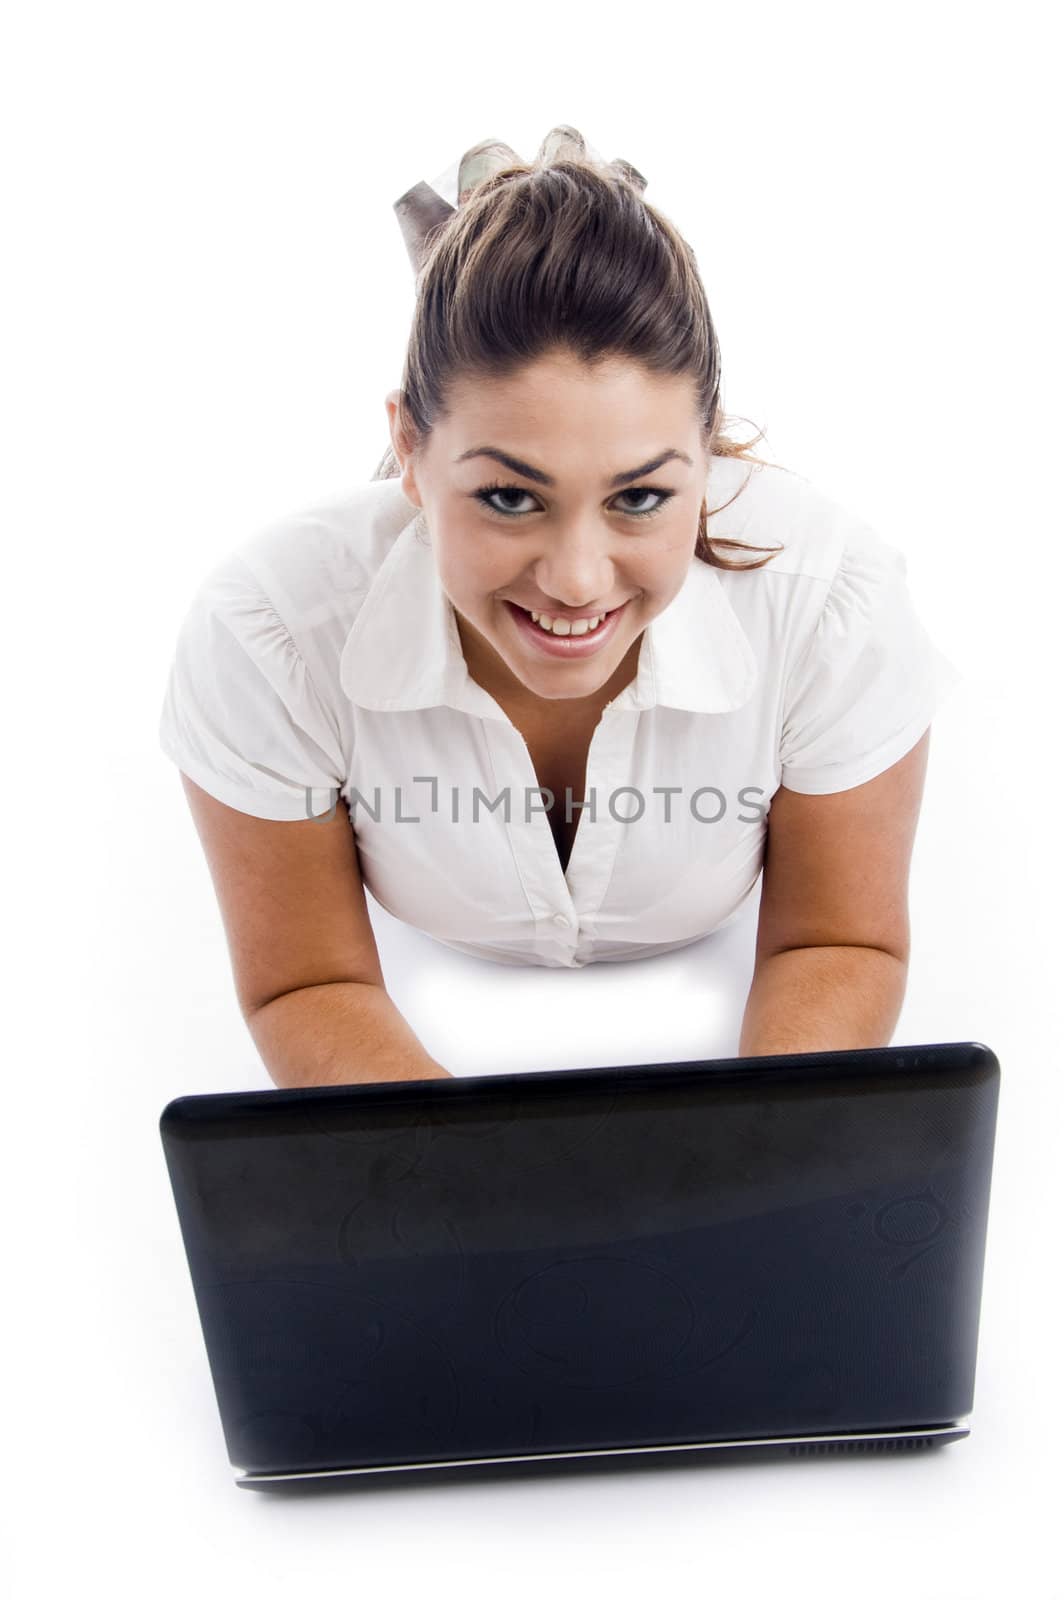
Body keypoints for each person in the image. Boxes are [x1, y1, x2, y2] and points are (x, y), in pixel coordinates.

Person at [157, 126, 960, 1090]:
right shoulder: (270, 633)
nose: (576, 580)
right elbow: (306, 981)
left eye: (641, 496)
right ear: (408, 449)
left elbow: (839, 941)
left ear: (708, 454)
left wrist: (746, 1178)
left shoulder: (830, 601)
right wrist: (476, 1201)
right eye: (509, 496)